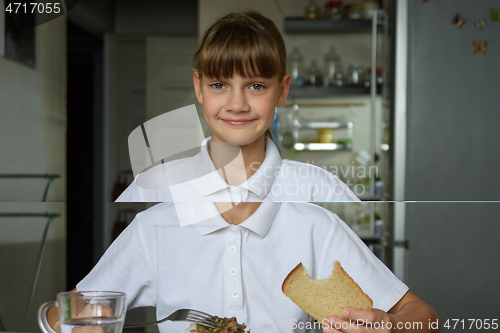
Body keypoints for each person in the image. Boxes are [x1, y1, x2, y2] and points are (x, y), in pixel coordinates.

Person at [48, 11, 439, 333]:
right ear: (198, 87)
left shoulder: (314, 226)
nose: (236, 104)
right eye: (219, 84)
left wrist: (389, 325)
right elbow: (72, 309)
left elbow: (424, 318)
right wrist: (66, 322)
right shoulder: (156, 228)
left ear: (282, 90)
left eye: (255, 85)